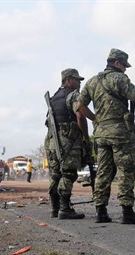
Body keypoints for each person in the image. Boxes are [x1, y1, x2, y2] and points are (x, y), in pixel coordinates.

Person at [78, 48, 135, 224]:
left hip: (101, 134)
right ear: (116, 63)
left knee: (103, 171)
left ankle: (101, 212)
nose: (125, 69)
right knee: (127, 169)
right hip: (120, 134)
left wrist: (95, 119)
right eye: (124, 65)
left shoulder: (92, 81)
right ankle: (127, 211)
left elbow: (80, 105)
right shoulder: (119, 78)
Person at [45, 68, 91, 219]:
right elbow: (80, 116)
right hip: (68, 141)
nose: (79, 83)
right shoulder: (73, 95)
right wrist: (86, 137)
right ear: (69, 80)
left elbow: (48, 122)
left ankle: (54, 208)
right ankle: (64, 209)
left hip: (52, 142)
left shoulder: (53, 98)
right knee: (68, 173)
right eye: (77, 80)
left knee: (56, 174)